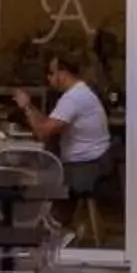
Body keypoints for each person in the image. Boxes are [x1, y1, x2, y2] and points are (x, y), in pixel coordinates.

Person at [14, 51, 113, 191]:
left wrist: (26, 108)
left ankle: (38, 213)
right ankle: (53, 213)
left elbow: (43, 133)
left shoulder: (73, 98)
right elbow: (48, 122)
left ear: (62, 73)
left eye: (51, 73)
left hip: (85, 168)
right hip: (95, 163)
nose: (48, 78)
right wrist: (29, 105)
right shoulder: (80, 91)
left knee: (24, 178)